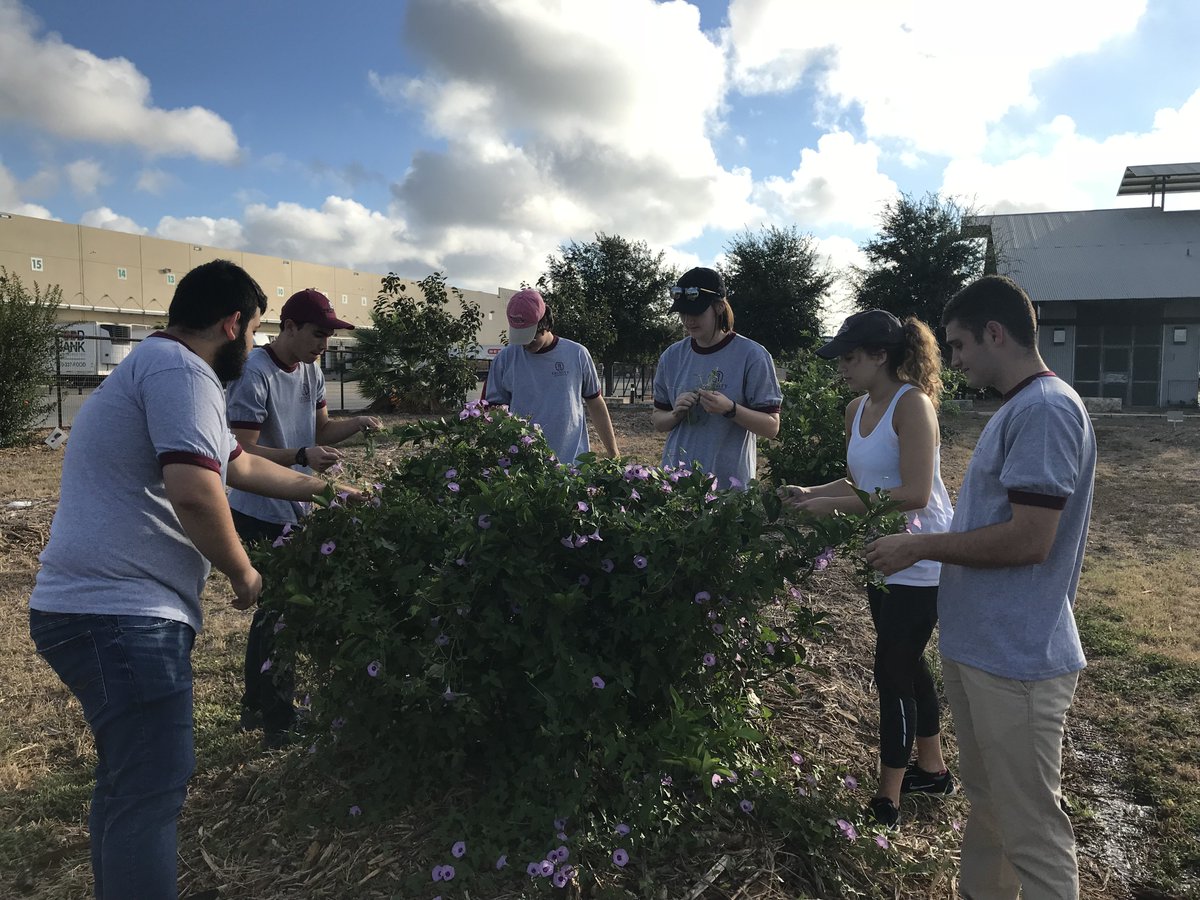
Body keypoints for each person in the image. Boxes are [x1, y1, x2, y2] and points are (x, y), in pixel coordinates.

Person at [28, 260, 359, 899]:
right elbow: (197, 492)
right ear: (233, 323)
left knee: (131, 784)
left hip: (97, 610)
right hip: (122, 614)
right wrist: (244, 573)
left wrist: (332, 492)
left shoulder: (154, 366)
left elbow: (240, 467)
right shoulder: (183, 371)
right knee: (153, 787)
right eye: (255, 329)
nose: (253, 346)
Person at [865, 275, 1096, 898]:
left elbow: (1029, 540)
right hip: (984, 649)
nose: (955, 359)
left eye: (960, 344)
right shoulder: (1021, 408)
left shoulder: (1045, 410)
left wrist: (920, 545)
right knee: (991, 807)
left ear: (996, 333)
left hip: (1016, 658)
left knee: (1031, 829)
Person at [783, 309, 955, 828]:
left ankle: (888, 799)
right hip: (882, 554)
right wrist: (812, 492)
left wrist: (831, 507)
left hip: (919, 555)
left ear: (882, 356)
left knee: (891, 673)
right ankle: (934, 767)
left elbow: (914, 493)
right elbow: (863, 481)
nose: (842, 368)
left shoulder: (913, 406)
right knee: (907, 663)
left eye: (851, 358)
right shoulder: (857, 408)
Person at [225, 288, 382, 746]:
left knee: (276, 612)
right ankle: (276, 721)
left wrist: (355, 425)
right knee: (283, 612)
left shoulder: (311, 371)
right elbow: (241, 452)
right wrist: (299, 454)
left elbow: (321, 430)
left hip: (298, 504)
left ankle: (257, 708)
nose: (324, 345)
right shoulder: (254, 373)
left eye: (329, 336)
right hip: (259, 509)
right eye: (318, 333)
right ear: (289, 326)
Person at [651, 267, 781, 488]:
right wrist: (676, 413)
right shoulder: (671, 357)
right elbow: (658, 420)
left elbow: (771, 427)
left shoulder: (752, 355)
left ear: (719, 307)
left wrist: (730, 408)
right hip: (676, 484)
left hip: (729, 490)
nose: (688, 320)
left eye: (696, 313)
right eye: (683, 313)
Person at [483, 288, 619, 462]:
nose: (525, 345)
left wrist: (614, 453)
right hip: (523, 468)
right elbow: (494, 413)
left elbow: (595, 403)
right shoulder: (504, 360)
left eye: (531, 338)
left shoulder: (577, 354)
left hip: (572, 465)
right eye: (520, 338)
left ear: (544, 323)